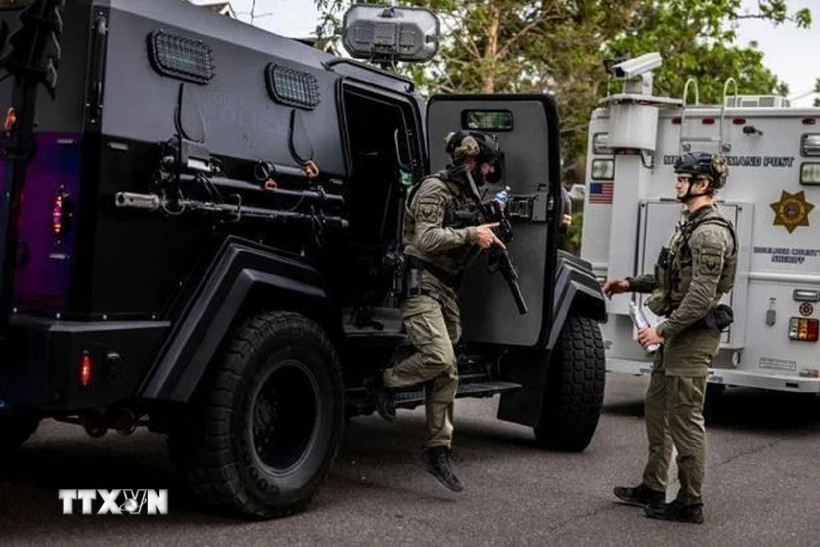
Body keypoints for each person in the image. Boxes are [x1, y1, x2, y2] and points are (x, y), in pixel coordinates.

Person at [367, 130, 506, 493]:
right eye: (486, 165)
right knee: (440, 357)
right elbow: (426, 239)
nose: (489, 173)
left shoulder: (465, 194)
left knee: (448, 371)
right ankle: (383, 381)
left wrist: (487, 233)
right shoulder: (434, 189)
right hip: (421, 282)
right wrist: (471, 234)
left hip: (445, 287)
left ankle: (437, 449)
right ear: (470, 161)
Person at [605, 151, 737, 524]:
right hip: (678, 336)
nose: (677, 183)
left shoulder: (709, 233)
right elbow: (672, 279)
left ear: (703, 184)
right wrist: (630, 283)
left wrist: (660, 331)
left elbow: (700, 297)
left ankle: (690, 502)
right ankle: (653, 486)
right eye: (678, 177)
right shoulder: (691, 225)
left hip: (690, 338)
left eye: (684, 178)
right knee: (658, 410)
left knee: (685, 418)